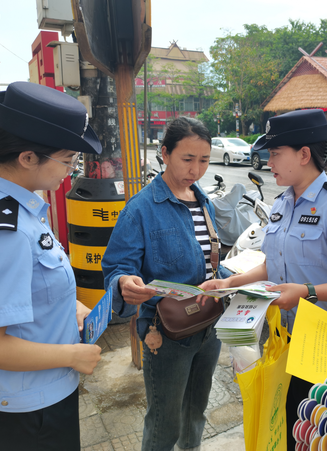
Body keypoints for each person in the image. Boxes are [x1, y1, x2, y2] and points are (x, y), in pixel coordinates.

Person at [200, 109, 327, 450]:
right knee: (291, 429)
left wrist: (307, 292)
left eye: (276, 153)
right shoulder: (282, 203)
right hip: (285, 341)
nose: (269, 161)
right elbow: (272, 265)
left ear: (304, 154)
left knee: (324, 436)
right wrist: (229, 283)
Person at [0, 81, 103, 451]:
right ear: (27, 158)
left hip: (42, 397)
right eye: (67, 160)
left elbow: (33, 287)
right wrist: (72, 354)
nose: (69, 172)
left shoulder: (21, 209)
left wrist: (70, 307)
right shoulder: (8, 231)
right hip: (31, 417)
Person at [101, 116, 232, 451]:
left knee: (195, 413)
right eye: (187, 159)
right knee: (164, 422)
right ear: (165, 153)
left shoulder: (202, 200)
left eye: (204, 160)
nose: (196, 169)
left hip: (209, 325)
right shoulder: (142, 209)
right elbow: (117, 267)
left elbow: (209, 263)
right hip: (167, 334)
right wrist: (124, 283)